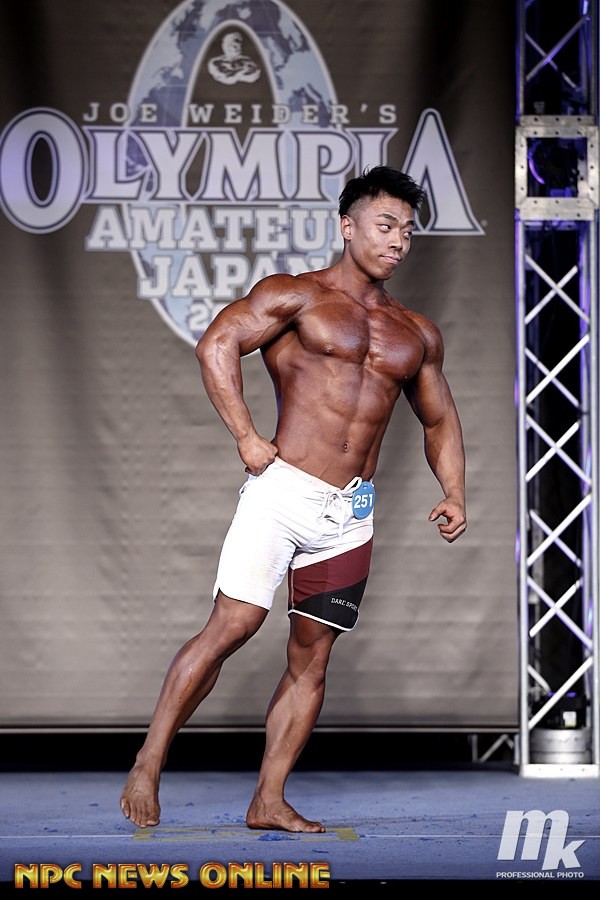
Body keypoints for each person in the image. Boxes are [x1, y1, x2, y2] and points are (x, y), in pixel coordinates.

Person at [120, 165, 467, 834]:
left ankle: (268, 799)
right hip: (283, 492)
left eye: (407, 231)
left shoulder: (415, 331)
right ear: (348, 227)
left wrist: (453, 490)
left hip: (350, 513)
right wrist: (246, 436)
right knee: (233, 626)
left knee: (313, 658)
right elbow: (217, 344)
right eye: (385, 225)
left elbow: (439, 419)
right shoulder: (297, 296)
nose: (398, 241)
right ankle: (149, 759)